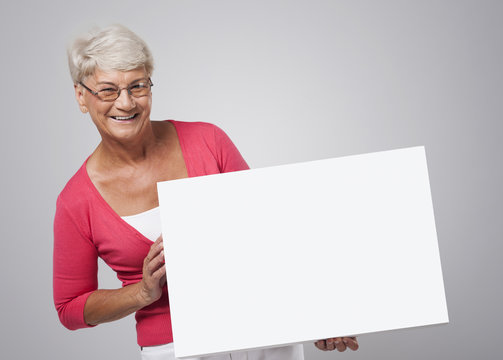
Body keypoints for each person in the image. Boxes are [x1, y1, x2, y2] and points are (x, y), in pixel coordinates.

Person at [53, 24, 359, 359]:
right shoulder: (76, 201)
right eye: (108, 91)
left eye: (137, 86)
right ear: (81, 96)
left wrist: (319, 314)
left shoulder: (207, 141)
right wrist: (141, 293)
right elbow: (70, 307)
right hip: (174, 349)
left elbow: (272, 238)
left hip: (267, 332)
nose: (125, 103)